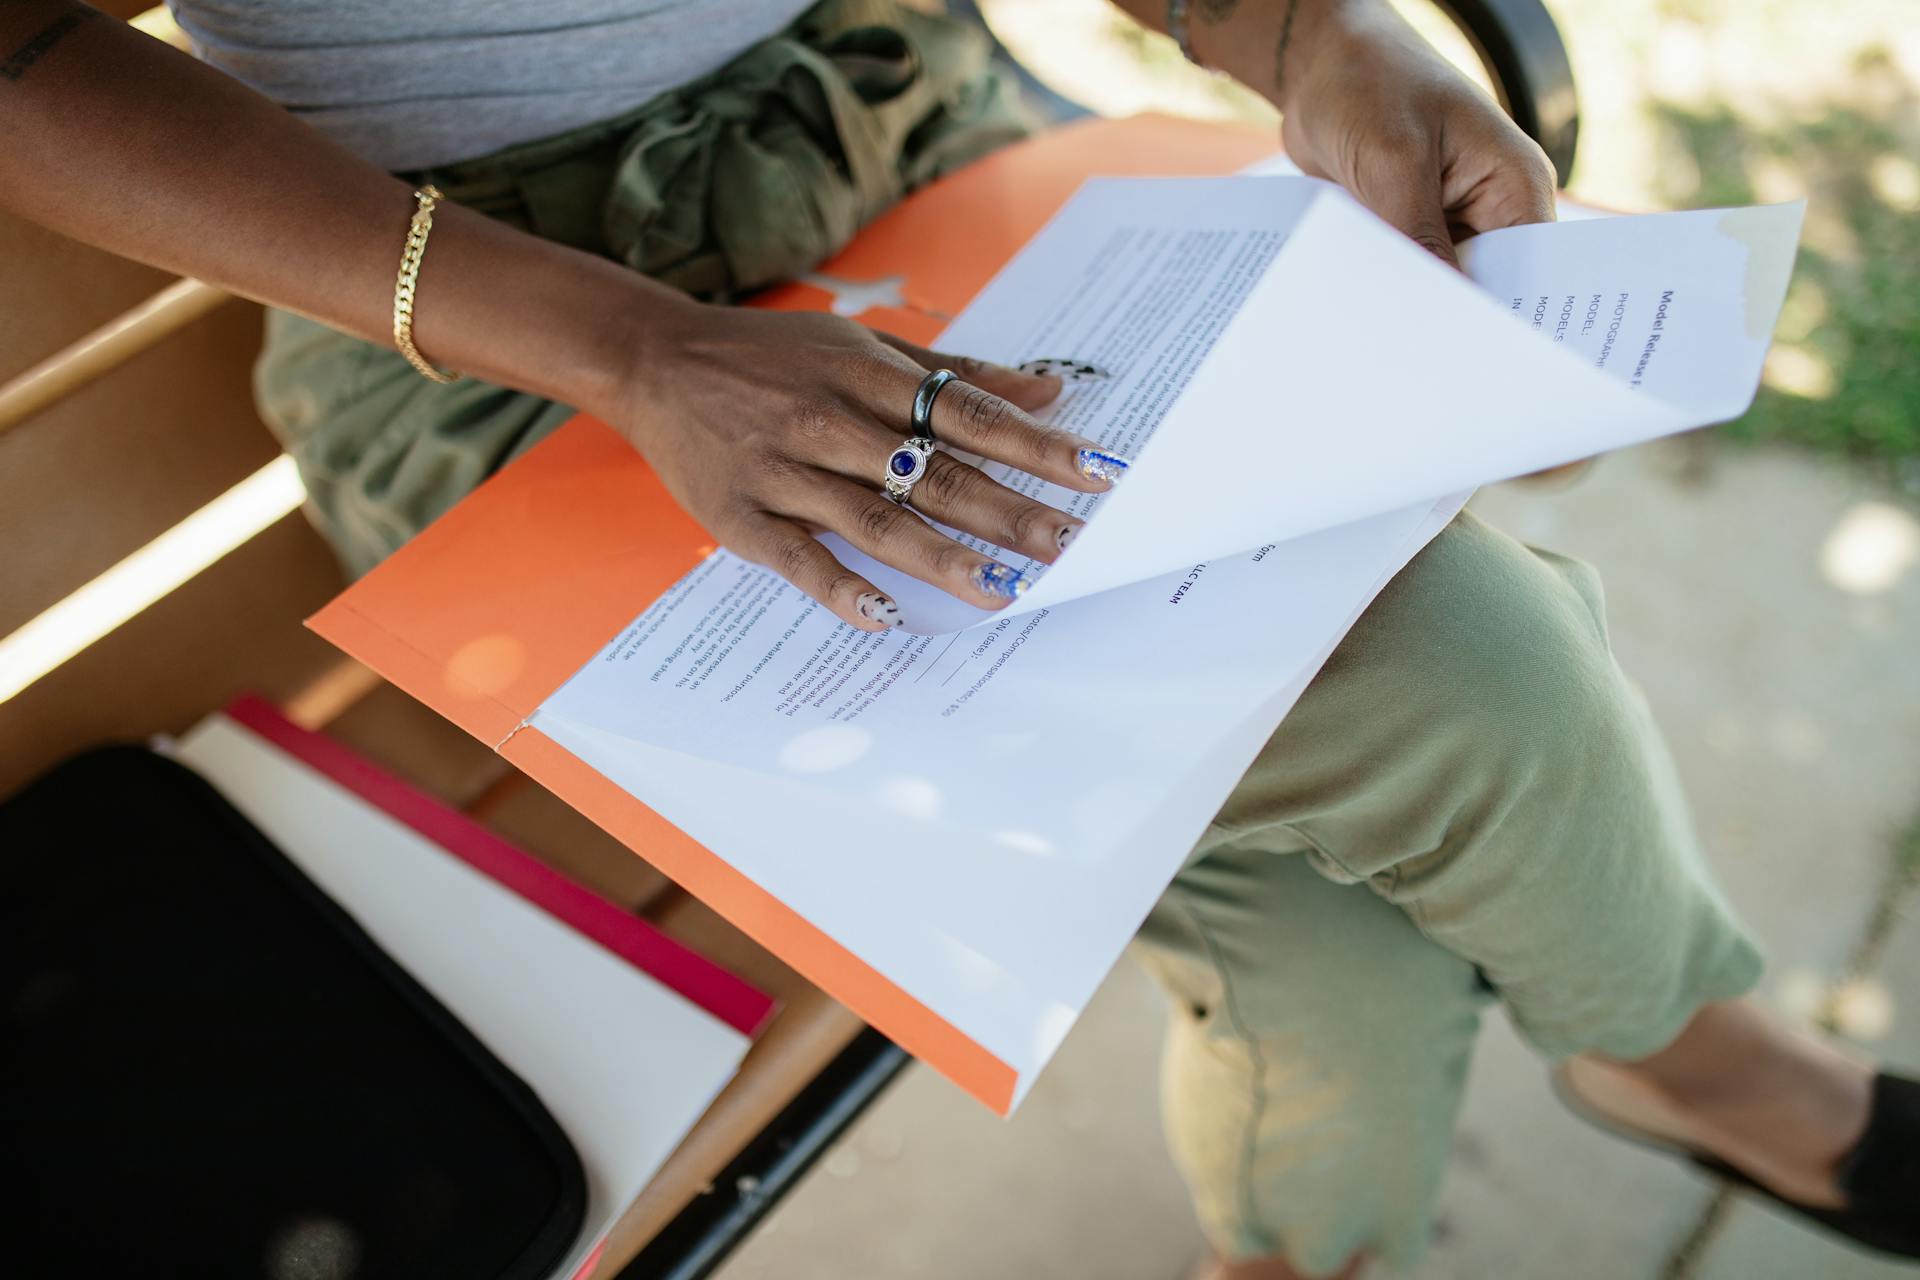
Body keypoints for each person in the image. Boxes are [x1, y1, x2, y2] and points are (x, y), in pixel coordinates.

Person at [3, 2, 1913, 1275]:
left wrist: (1308, 26)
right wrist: (634, 348)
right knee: (1473, 679)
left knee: (1319, 911)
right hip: (518, 349)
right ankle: (1689, 1048)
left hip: (938, 157)